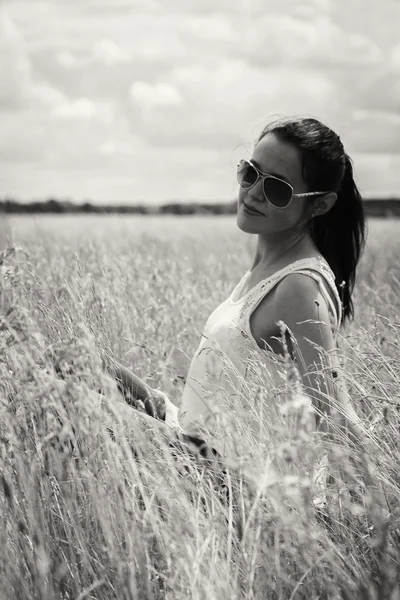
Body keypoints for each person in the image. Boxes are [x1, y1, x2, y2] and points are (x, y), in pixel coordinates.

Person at [104, 115, 369, 495]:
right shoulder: (265, 268)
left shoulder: (298, 286)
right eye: (250, 173)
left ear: (320, 205)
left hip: (230, 486)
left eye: (277, 188)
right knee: (78, 359)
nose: (254, 192)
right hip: (190, 445)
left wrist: (382, 530)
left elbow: (336, 413)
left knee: (83, 403)